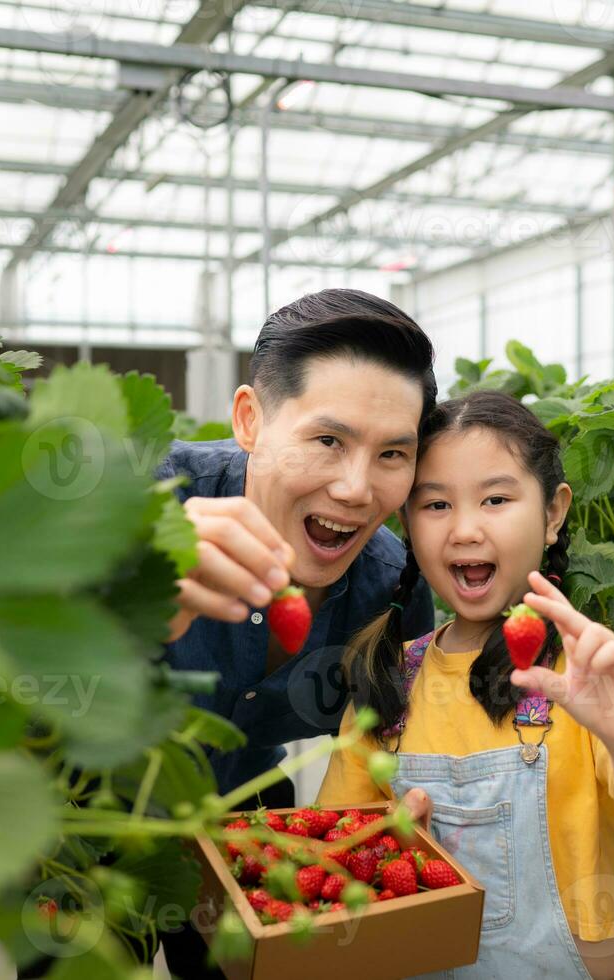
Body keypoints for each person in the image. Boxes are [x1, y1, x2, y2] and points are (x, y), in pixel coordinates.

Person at [317, 390, 614, 980]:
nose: (466, 529)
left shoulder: (592, 672)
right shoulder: (387, 678)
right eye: (436, 505)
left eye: (496, 499)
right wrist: (391, 845)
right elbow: (340, 862)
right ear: (406, 523)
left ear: (553, 514)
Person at [154, 289, 437, 977]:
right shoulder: (142, 508)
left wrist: (406, 800)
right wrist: (128, 606)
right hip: (95, 804)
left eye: (393, 454)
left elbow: (389, 751)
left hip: (244, 803)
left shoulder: (394, 591)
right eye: (328, 440)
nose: (355, 488)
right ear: (250, 420)